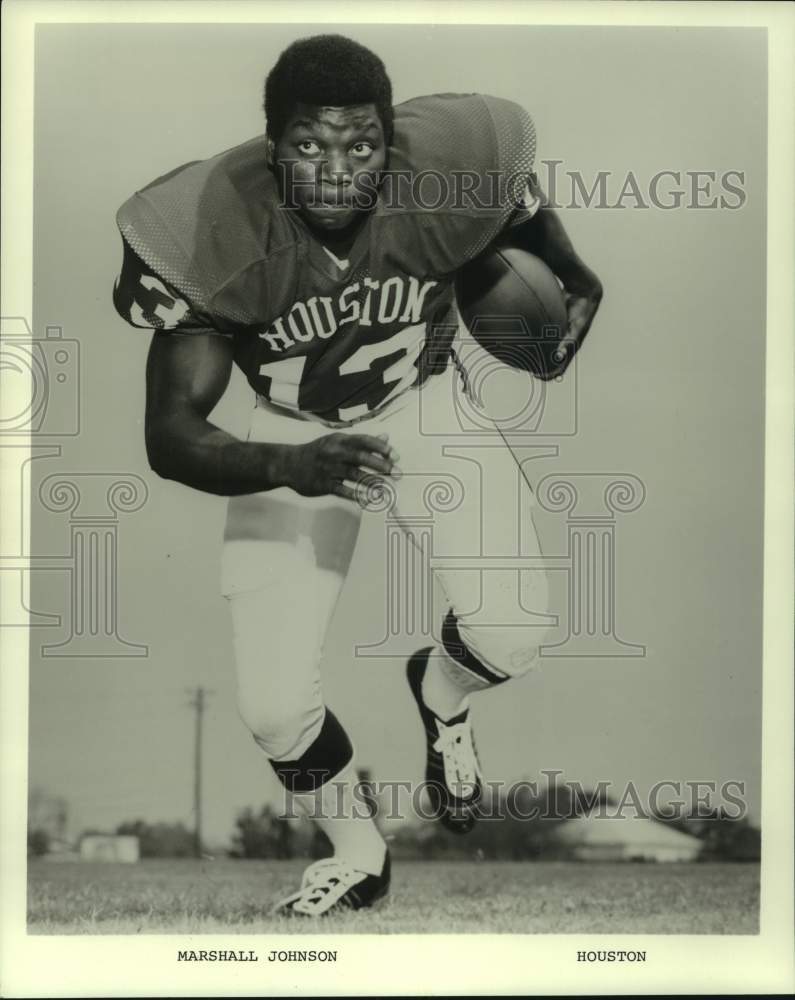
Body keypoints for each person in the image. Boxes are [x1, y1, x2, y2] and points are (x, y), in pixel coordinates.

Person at [113, 33, 602, 917]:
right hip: (288, 433)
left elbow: (521, 214)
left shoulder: (452, 169)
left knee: (516, 632)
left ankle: (440, 695)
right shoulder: (209, 230)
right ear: (271, 147)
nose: (337, 169)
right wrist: (287, 464)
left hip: (423, 407)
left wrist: (574, 277)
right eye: (308, 145)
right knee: (270, 709)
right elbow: (171, 433)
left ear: (392, 141)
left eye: (361, 144)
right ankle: (359, 852)